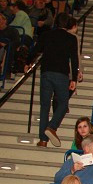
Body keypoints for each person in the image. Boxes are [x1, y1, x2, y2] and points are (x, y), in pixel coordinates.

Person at [31, 13, 79, 147]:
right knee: (63, 104)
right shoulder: (71, 38)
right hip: (61, 74)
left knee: (45, 106)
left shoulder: (46, 35)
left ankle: (43, 140)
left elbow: (36, 50)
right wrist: (74, 78)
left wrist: (27, 62)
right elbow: (74, 60)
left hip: (46, 72)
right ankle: (52, 127)